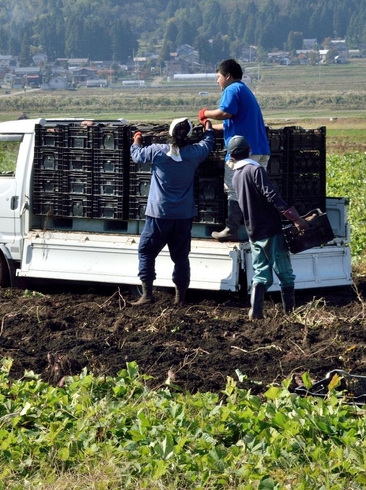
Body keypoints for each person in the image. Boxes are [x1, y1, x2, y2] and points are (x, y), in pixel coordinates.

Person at [130, 117, 214, 305]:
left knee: (146, 252)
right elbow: (208, 144)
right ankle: (180, 299)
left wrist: (137, 138)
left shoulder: (158, 151)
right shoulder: (193, 153)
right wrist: (208, 127)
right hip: (183, 215)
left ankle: (147, 294)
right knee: (181, 257)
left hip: (159, 214)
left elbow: (136, 155)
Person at [226, 135, 306, 319]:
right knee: (285, 273)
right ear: (249, 150)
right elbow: (272, 195)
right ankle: (290, 315)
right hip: (270, 229)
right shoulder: (255, 170)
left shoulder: (236, 176)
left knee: (261, 275)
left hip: (253, 232)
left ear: (232, 155)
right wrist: (294, 218)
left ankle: (256, 312)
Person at [198, 58, 270, 242]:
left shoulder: (231, 89)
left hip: (242, 152)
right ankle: (255, 229)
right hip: (260, 150)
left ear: (227, 76)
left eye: (218, 76)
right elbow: (233, 122)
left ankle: (231, 229)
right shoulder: (245, 91)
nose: (217, 81)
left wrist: (205, 113)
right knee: (255, 192)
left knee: (234, 189)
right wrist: (212, 128)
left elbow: (225, 113)